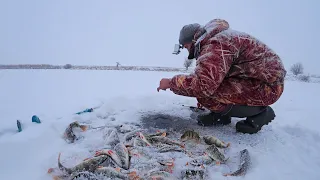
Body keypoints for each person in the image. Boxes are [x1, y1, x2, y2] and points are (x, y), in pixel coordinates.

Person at [157, 18, 287, 134]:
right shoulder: (217, 39)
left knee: (205, 95)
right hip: (256, 80)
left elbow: (203, 85)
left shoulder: (216, 45)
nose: (187, 50)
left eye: (186, 47)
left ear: (192, 41)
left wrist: (171, 82)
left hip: (267, 87)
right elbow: (210, 74)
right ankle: (221, 115)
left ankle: (260, 113)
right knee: (209, 89)